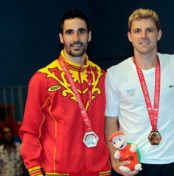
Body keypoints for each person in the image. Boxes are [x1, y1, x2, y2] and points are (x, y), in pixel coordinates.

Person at [19, 9, 111, 176]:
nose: (76, 39)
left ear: (89, 36)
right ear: (61, 37)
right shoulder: (43, 79)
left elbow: (112, 125)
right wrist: (34, 170)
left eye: (81, 32)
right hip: (59, 172)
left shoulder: (104, 78)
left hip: (100, 171)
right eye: (69, 32)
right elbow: (30, 130)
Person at [105, 8, 174, 176]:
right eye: (137, 31)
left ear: (158, 34)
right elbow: (110, 122)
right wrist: (113, 156)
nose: (143, 36)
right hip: (134, 162)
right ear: (130, 36)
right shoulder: (115, 73)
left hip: (172, 161)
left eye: (149, 30)